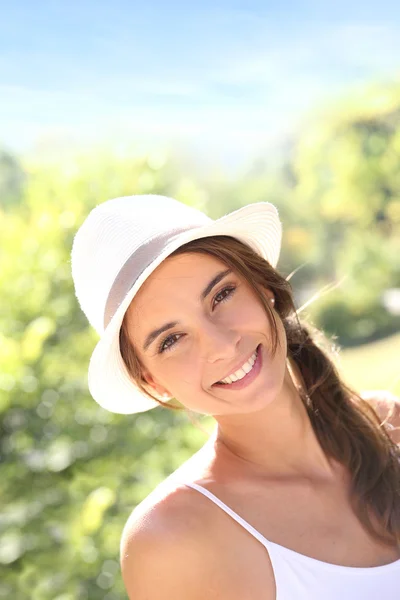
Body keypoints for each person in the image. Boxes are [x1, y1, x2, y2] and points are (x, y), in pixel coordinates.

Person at [71, 194, 400, 600]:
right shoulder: (170, 541)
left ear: (264, 286)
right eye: (172, 339)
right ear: (152, 382)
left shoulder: (390, 425)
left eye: (221, 296)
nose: (222, 346)